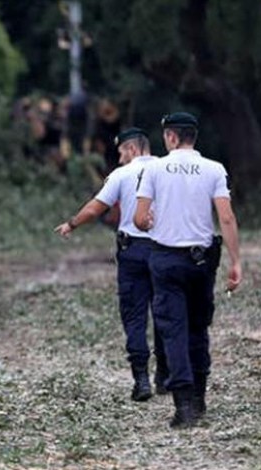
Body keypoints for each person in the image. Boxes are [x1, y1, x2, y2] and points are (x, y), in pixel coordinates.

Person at [134, 112, 242, 428]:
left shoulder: (153, 169)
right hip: (201, 260)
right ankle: (200, 397)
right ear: (194, 137)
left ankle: (183, 406)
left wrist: (149, 220)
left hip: (166, 260)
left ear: (170, 137)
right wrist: (236, 261)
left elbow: (140, 218)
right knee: (198, 328)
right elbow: (226, 218)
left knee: (173, 330)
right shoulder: (214, 169)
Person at [55, 127, 168, 402]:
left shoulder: (121, 174)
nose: (119, 159)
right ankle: (165, 376)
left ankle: (141, 379)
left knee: (134, 316)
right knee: (166, 312)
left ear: (131, 149)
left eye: (120, 153)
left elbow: (96, 208)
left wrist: (71, 224)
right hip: (166, 251)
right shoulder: (168, 170)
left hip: (132, 252)